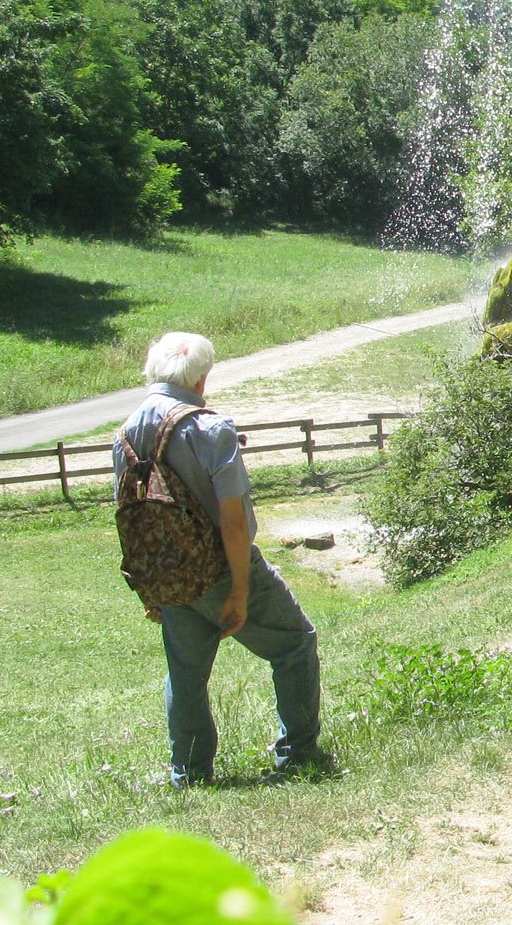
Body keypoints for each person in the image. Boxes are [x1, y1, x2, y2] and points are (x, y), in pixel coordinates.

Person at [114, 331, 329, 786]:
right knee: (294, 644)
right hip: (221, 567)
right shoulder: (209, 429)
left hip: (169, 574)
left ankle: (189, 774)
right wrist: (240, 589)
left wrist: (150, 588)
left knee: (186, 674)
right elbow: (233, 524)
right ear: (202, 378)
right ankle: (298, 755)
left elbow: (130, 516)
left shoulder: (126, 435)